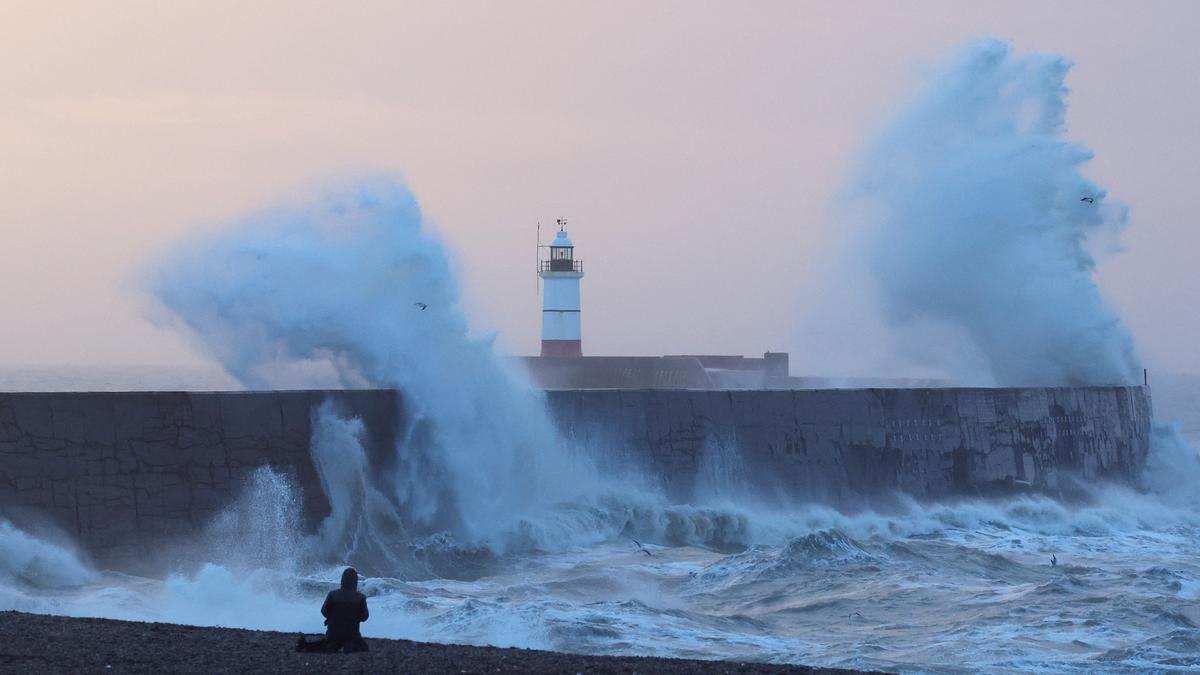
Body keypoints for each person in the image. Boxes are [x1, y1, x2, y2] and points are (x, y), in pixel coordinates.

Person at [298, 567, 370, 653]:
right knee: (364, 648)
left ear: (342, 580)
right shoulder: (361, 597)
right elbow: (364, 617)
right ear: (355, 581)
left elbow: (324, 612)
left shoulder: (332, 594)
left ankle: (337, 646)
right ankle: (347, 646)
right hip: (353, 635)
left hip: (333, 635)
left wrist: (334, 616)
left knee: (329, 644)